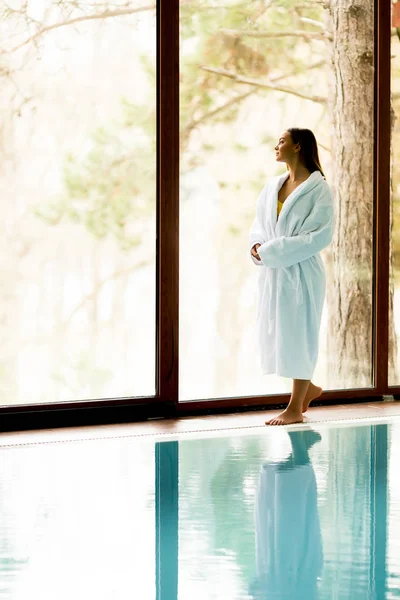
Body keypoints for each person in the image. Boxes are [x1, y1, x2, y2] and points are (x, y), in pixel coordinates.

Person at [249, 128, 335, 426]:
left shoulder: (319, 189)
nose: (276, 145)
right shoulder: (273, 186)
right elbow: (259, 225)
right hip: (274, 273)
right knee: (281, 333)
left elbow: (319, 236)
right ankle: (308, 388)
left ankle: (295, 407)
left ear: (298, 147)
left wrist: (272, 251)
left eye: (282, 141)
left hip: (302, 273)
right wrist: (257, 247)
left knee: (300, 334)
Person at [249, 428, 323, 599]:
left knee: (281, 510)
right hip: (292, 577)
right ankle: (298, 441)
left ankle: (301, 445)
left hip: (280, 573)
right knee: (292, 516)